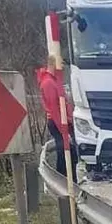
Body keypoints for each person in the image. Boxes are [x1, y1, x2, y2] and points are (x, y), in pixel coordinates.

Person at [38, 55, 78, 183]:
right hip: (58, 122)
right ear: (54, 64)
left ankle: (70, 180)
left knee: (70, 152)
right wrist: (64, 130)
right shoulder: (48, 83)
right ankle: (63, 179)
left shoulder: (53, 80)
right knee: (64, 151)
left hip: (62, 121)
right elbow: (55, 108)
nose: (62, 67)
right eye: (60, 63)